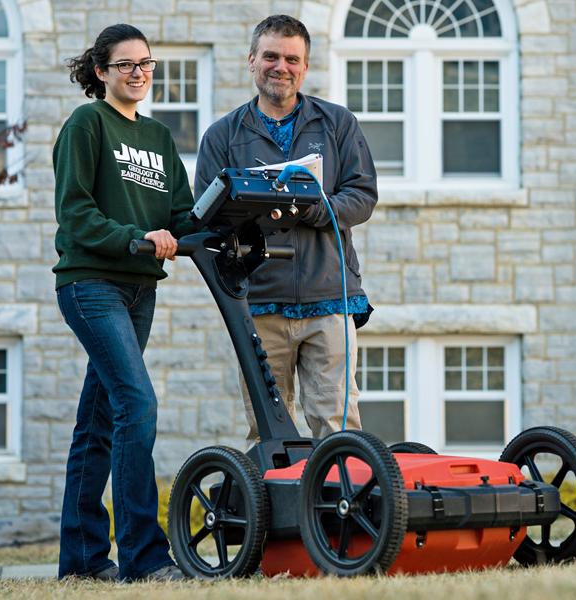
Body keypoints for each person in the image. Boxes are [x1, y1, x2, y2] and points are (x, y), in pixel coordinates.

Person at [53, 23, 194, 582]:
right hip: (91, 285)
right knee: (138, 404)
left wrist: (220, 229)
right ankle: (144, 558)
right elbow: (76, 213)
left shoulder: (159, 138)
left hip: (140, 289)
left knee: (99, 420)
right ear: (100, 72)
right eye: (125, 64)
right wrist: (135, 237)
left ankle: (84, 564)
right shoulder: (87, 123)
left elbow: (182, 212)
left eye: (146, 64)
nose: (139, 73)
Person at [195, 15, 378, 441]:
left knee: (337, 427)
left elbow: (362, 195)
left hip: (330, 298)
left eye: (292, 59)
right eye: (271, 56)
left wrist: (311, 208)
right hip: (258, 304)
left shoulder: (337, 123)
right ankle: (275, 509)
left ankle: (336, 507)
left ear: (305, 66)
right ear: (252, 61)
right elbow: (204, 217)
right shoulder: (222, 135)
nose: (282, 67)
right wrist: (254, 212)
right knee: (267, 432)